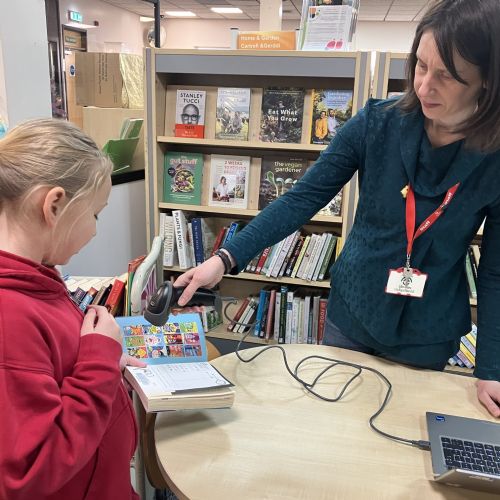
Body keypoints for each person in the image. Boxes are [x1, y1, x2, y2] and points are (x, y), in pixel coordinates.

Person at [173, 0, 500, 418]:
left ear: (486, 81)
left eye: (446, 76)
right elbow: (301, 198)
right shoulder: (377, 123)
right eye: (420, 65)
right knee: (334, 426)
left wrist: (491, 369)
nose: (423, 86)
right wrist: (225, 258)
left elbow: (495, 273)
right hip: (354, 313)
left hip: (428, 331)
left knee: (401, 438)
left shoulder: (493, 158)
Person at [0, 119, 145, 499]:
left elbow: (52, 376)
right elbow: (29, 471)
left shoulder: (38, 278)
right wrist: (97, 363)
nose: (95, 230)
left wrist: (105, 363)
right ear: (54, 205)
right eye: (95, 214)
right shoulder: (10, 315)